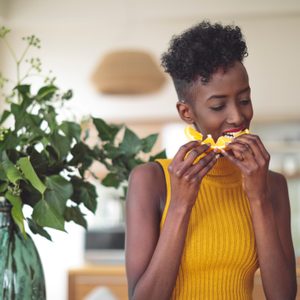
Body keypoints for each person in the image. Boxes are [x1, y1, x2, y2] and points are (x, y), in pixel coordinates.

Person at [125, 21, 297, 300]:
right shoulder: (150, 180)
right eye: (218, 106)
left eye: (244, 100)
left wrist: (258, 198)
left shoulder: (272, 184)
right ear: (186, 112)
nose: (238, 117)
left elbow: (283, 296)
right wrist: (181, 204)